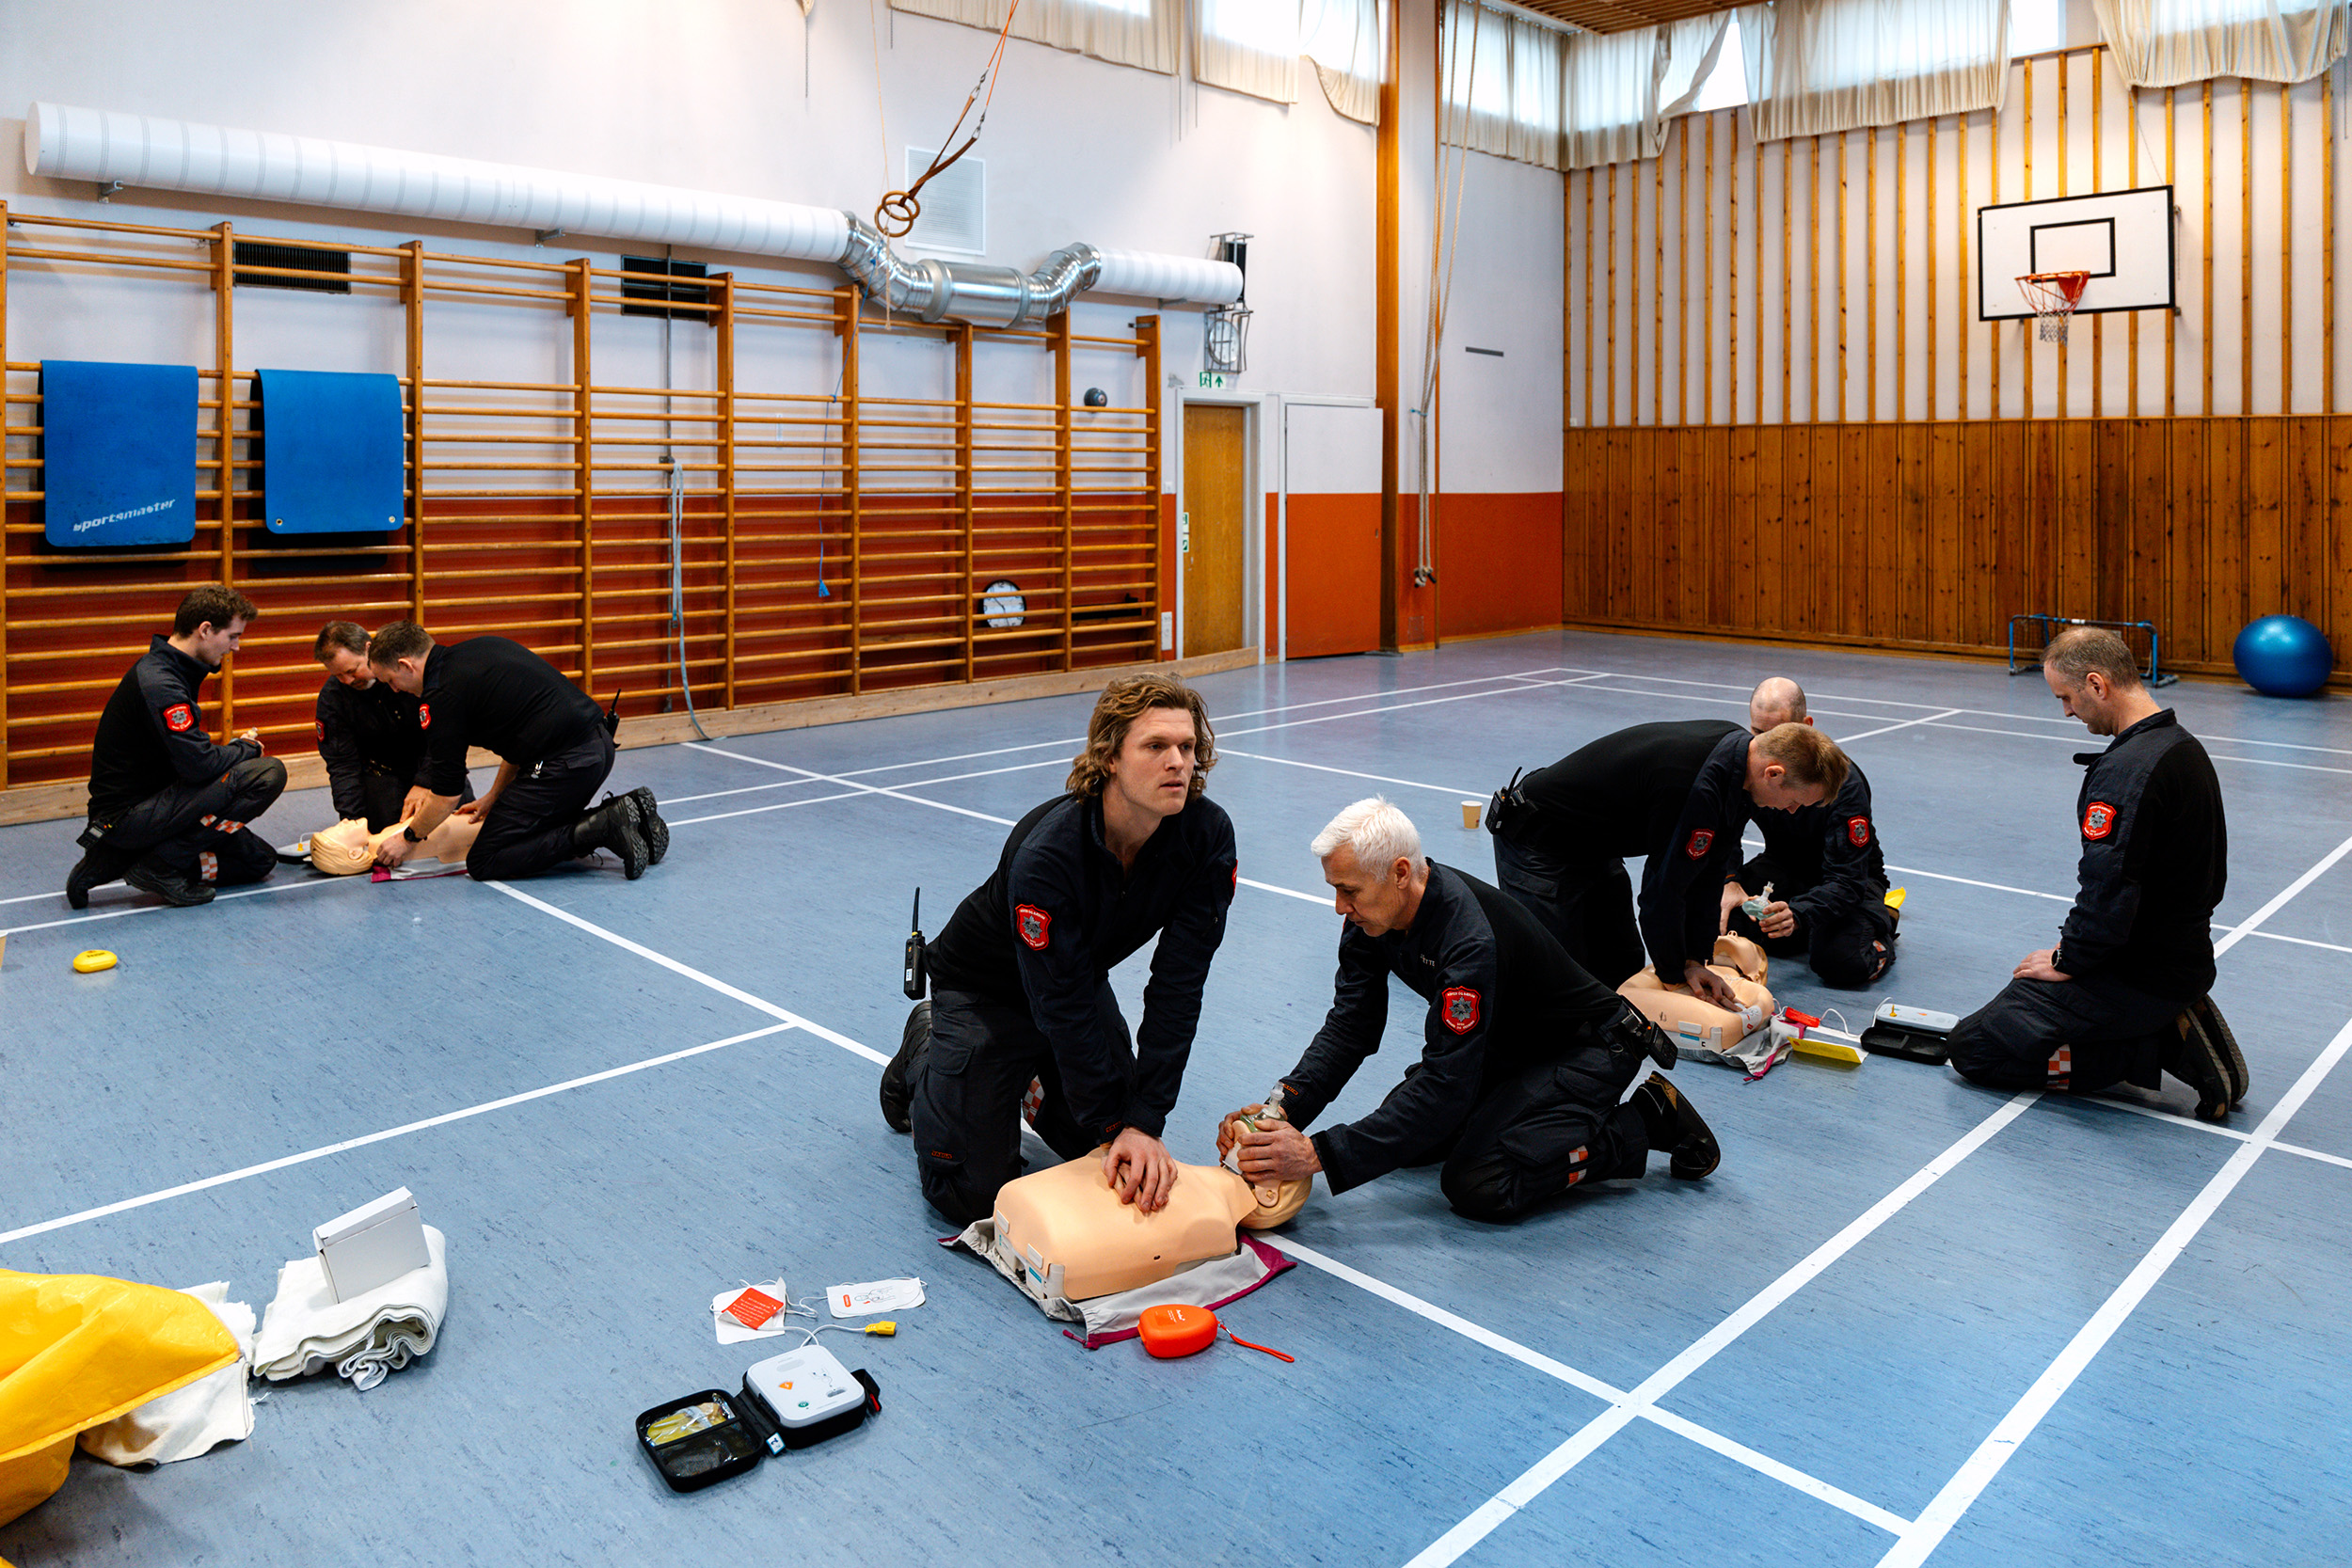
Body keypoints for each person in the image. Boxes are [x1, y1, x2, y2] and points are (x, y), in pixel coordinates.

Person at [1218, 799, 1720, 1225]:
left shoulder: (1467, 941)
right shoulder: (1371, 917)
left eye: (1348, 890)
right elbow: (1352, 1025)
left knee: (1480, 1181)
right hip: (1510, 1041)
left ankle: (1645, 1122)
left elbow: (1444, 1088)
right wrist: (1279, 1109)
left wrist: (1316, 1154)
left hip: (1588, 1045)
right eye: (1335, 888)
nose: (1337, 906)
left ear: (1399, 873)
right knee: (1407, 1141)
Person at [879, 673, 1239, 1228]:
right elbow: (1061, 1006)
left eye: (1187, 747)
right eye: (1155, 746)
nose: (1178, 763)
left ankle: (1022, 1078)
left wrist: (1143, 1122)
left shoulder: (1207, 836)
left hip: (1074, 977)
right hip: (985, 990)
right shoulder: (1048, 854)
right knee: (972, 1199)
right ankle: (928, 1043)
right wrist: (1116, 1124)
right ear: (1110, 757)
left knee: (1101, 1158)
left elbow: (1178, 986)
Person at [1948, 627, 2243, 1119]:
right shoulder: (2183, 747)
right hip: (2183, 958)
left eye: (2067, 697)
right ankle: (2164, 1017)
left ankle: (2152, 1044)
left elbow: (2107, 894)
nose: (2066, 711)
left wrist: (2068, 959)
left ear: (2097, 684)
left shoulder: (2128, 770)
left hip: (2136, 975)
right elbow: (2212, 879)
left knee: (1975, 1048)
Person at [1486, 719, 1851, 1006]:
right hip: (1539, 842)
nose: (1791, 812)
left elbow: (1708, 876)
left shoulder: (1740, 766)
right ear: (1773, 773)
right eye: (1795, 802)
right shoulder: (1696, 784)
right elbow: (1664, 891)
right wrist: (1678, 974)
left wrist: (1696, 958)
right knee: (1559, 975)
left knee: (1623, 964)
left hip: (1593, 843)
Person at [363, 621, 665, 880]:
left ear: (405, 665)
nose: (394, 690)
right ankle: (634, 818)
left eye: (391, 680)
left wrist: (407, 838)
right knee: (534, 827)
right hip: (597, 747)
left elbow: (446, 795)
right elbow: (520, 734)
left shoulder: (440, 696)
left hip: (567, 765)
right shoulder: (478, 649)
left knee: (485, 859)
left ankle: (603, 826)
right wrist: (494, 796)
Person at [67, 585, 288, 909]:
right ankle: (159, 865)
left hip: (154, 805)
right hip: (127, 815)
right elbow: (197, 765)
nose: (236, 647)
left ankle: (120, 860)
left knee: (258, 861)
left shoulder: (175, 670)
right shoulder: (162, 682)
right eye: (232, 636)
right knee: (266, 773)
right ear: (205, 630)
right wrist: (246, 749)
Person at [1719, 677, 1898, 989]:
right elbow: (1725, 828)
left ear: (1807, 725)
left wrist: (1799, 914)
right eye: (1759, 733)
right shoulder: (1749, 765)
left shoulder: (1843, 783)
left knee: (1841, 962)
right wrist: (1729, 880)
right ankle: (1801, 933)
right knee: (1718, 920)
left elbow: (1847, 880)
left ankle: (1881, 922)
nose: (1767, 748)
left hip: (1847, 881)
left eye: (1780, 734)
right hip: (1782, 868)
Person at [312, 621, 469, 832]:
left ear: (368, 649)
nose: (348, 681)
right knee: (389, 840)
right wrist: (352, 821)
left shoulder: (410, 673)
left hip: (434, 762)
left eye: (352, 670)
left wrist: (425, 782)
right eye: (339, 675)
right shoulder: (333, 698)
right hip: (383, 774)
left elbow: (447, 735)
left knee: (464, 826)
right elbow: (342, 765)